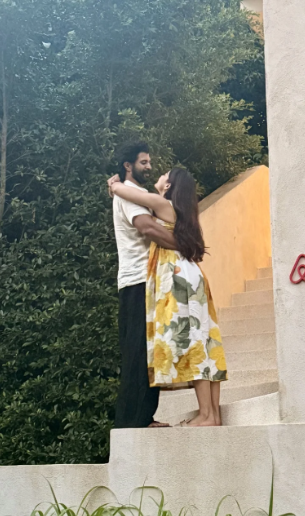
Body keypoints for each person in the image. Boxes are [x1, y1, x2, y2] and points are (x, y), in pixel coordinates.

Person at [108, 166, 228, 427]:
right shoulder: (184, 213)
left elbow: (130, 194)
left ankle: (206, 415)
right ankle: (213, 414)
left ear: (169, 186)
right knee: (205, 340)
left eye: (164, 175)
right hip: (192, 275)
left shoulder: (163, 205)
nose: (159, 175)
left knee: (193, 342)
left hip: (178, 277)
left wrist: (115, 185)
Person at [110, 142, 179, 428]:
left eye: (149, 162)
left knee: (148, 350)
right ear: (128, 166)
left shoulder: (136, 193)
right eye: (143, 162)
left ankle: (143, 417)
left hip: (146, 280)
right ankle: (134, 422)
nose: (149, 166)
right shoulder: (129, 195)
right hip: (136, 281)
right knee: (138, 351)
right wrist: (185, 244)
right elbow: (147, 228)